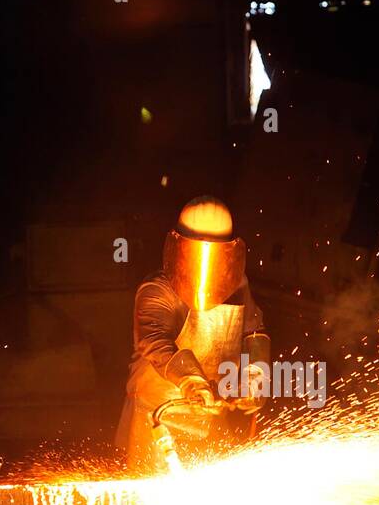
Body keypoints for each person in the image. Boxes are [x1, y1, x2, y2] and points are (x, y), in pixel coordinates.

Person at [115, 199, 270, 473]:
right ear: (180, 247)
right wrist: (191, 382)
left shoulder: (237, 285)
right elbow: (155, 341)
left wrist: (255, 377)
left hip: (210, 418)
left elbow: (254, 331)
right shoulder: (157, 289)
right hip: (157, 418)